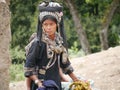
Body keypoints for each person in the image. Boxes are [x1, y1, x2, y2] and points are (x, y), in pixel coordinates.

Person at [24, 1, 80, 90]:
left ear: (57, 24)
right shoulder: (37, 43)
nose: (48, 27)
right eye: (45, 24)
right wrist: (38, 82)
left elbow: (65, 64)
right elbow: (29, 68)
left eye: (51, 24)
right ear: (42, 25)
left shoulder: (59, 42)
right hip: (42, 85)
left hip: (55, 83)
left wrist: (76, 80)